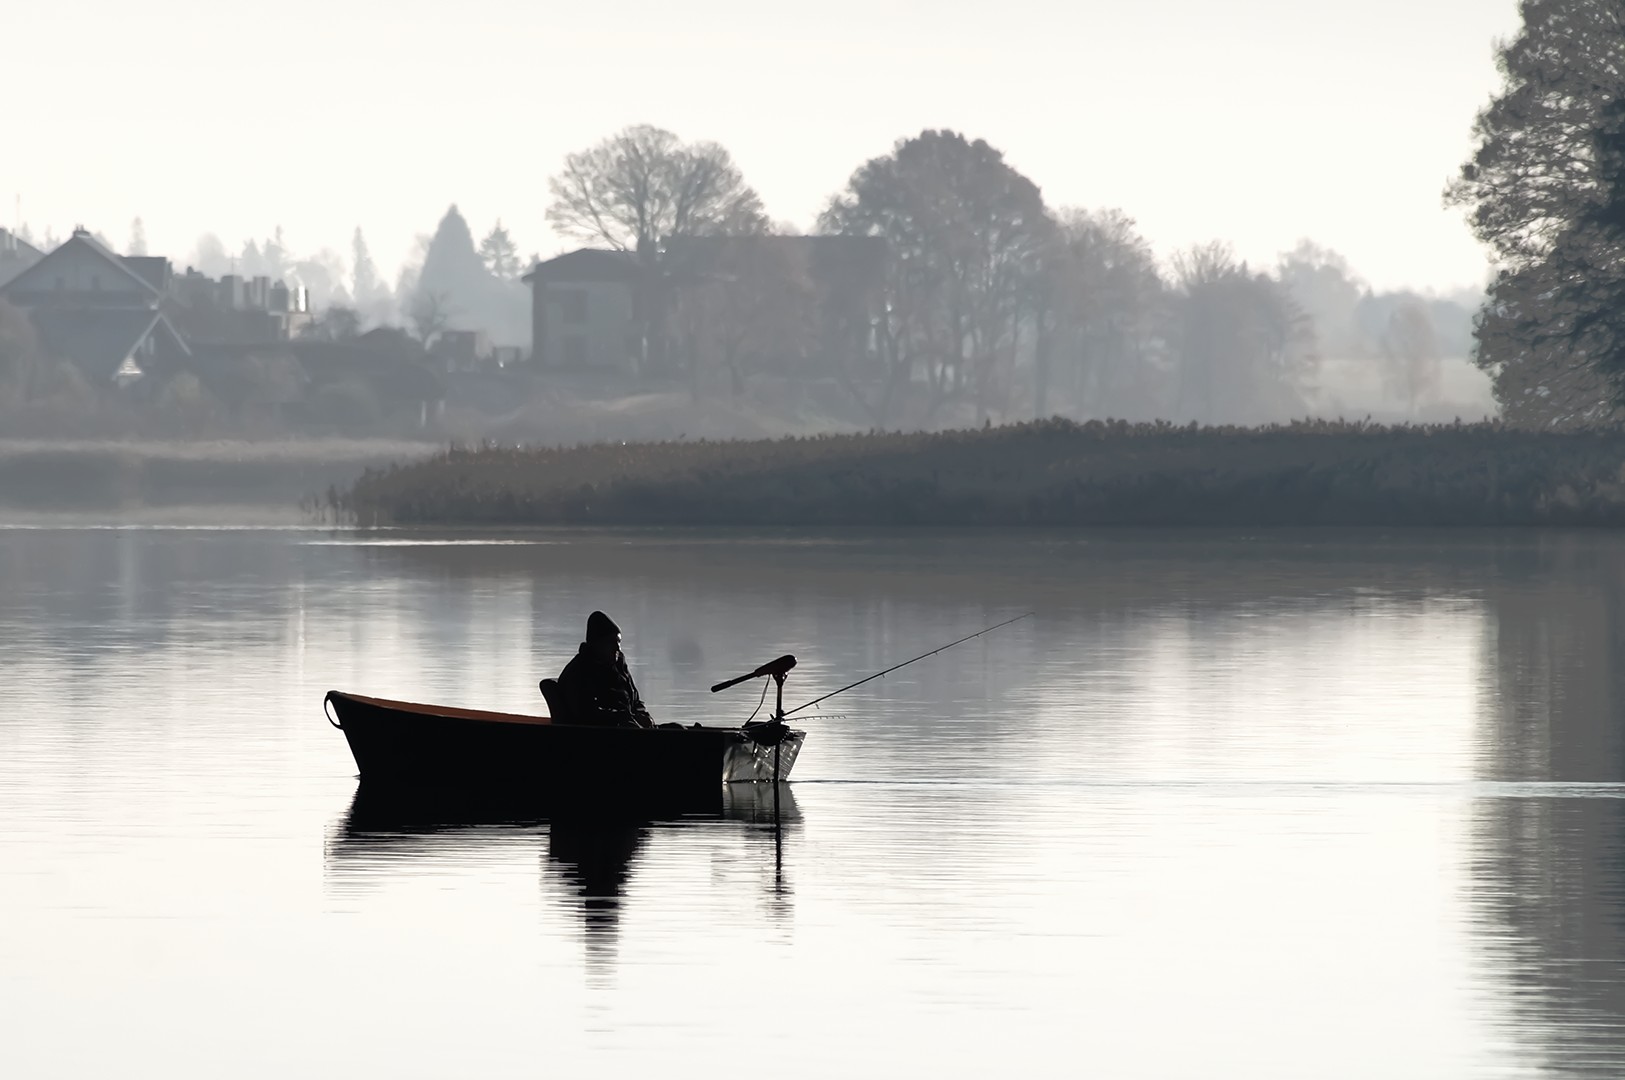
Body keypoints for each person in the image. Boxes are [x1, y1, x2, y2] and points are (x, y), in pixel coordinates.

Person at [556, 611, 654, 729]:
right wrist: (622, 718)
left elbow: (636, 700)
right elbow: (586, 713)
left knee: (677, 727)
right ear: (597, 644)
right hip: (606, 730)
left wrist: (643, 716)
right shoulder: (578, 672)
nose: (618, 647)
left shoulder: (619, 666)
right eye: (612, 642)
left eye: (618, 642)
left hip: (630, 725)